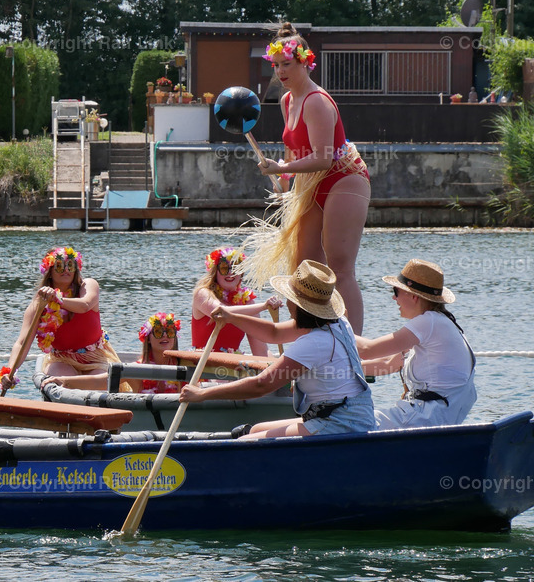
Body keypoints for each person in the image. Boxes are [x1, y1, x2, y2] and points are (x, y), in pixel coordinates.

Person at [242, 22, 371, 334]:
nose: (281, 72)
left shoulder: (317, 101)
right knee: (303, 270)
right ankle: (312, 340)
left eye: (287, 64)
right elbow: (295, 149)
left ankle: (354, 348)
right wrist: (284, 179)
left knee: (340, 268)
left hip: (344, 179)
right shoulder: (287, 101)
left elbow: (324, 156)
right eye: (276, 66)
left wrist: (281, 169)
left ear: (305, 63)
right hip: (311, 183)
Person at [179, 260, 375, 439]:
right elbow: (273, 333)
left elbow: (261, 385)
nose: (286, 301)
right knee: (255, 430)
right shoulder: (338, 322)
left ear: (298, 305)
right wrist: (231, 316)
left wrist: (202, 395)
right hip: (351, 415)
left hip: (339, 423)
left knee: (246, 441)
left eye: (288, 296)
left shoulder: (314, 342)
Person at [356, 259, 476, 429]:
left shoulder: (428, 322)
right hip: (434, 417)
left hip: (424, 418)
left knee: (348, 423)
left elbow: (367, 350)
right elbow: (388, 364)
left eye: (396, 291)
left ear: (413, 296)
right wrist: (332, 373)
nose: (393, 297)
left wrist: (335, 323)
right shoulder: (441, 323)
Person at [0, 247, 122, 393]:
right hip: (62, 359)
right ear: (49, 272)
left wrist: (57, 299)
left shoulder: (88, 285)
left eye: (70, 265)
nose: (66, 270)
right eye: (59, 266)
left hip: (95, 356)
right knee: (58, 382)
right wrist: (9, 371)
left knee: (106, 382)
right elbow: (22, 343)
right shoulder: (38, 306)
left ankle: (75, 388)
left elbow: (85, 305)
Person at [39, 312, 179, 393]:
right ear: (148, 339)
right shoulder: (136, 369)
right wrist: (64, 380)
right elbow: (99, 382)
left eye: (171, 331)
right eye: (159, 332)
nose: (165, 336)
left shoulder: (185, 365)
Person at [191, 247, 280, 356]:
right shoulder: (203, 294)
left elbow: (261, 351)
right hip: (200, 363)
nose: (230, 273)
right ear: (215, 272)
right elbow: (221, 312)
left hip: (230, 366)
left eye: (235, 268)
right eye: (224, 268)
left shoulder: (247, 302)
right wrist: (264, 306)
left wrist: (276, 367)